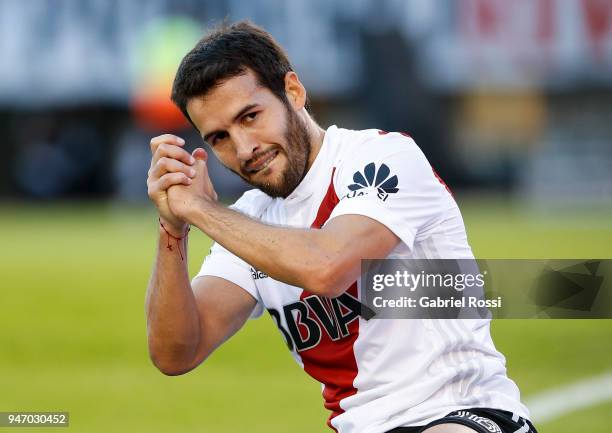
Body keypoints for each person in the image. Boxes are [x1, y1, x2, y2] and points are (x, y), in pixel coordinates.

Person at [145, 21, 537, 433]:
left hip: (464, 413)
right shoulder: (248, 222)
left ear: (293, 92)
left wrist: (202, 211)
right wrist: (172, 226)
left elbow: (327, 268)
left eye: (251, 117)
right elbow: (175, 353)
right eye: (220, 137)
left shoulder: (380, 157)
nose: (244, 149)